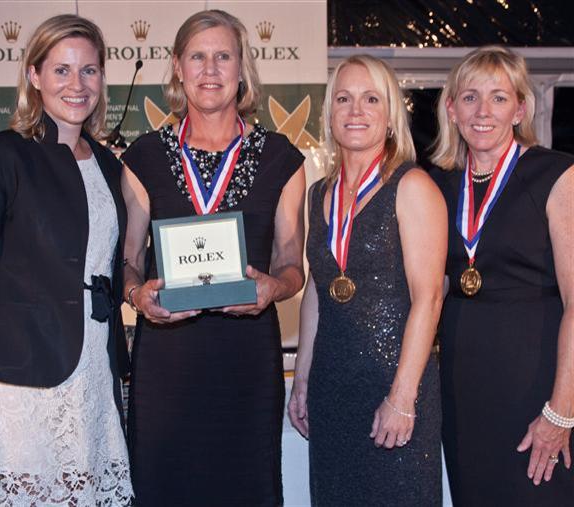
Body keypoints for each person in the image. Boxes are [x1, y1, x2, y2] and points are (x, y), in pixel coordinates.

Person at [0, 14, 133, 506]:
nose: (77, 85)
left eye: (89, 71)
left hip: (95, 373)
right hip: (21, 383)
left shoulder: (111, 167)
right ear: (34, 76)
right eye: (62, 70)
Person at [121, 10, 306, 506]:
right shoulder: (144, 157)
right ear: (178, 68)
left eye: (223, 56)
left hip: (245, 364)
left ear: (242, 67)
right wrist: (137, 294)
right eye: (197, 57)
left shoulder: (280, 157)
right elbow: (128, 260)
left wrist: (275, 287)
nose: (210, 69)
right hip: (166, 363)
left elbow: (293, 263)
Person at [287, 54, 446, 505]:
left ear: (391, 115)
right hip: (333, 389)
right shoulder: (320, 194)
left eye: (370, 98)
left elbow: (429, 299)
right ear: (329, 113)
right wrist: (302, 381)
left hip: (395, 386)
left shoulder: (412, 186)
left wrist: (402, 396)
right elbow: (318, 290)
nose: (355, 111)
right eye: (344, 99)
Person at [430, 45, 574, 506]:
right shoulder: (439, 183)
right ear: (451, 109)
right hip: (463, 391)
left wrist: (562, 410)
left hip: (536, 389)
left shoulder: (556, 174)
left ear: (521, 108)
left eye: (498, 97)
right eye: (470, 97)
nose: (483, 111)